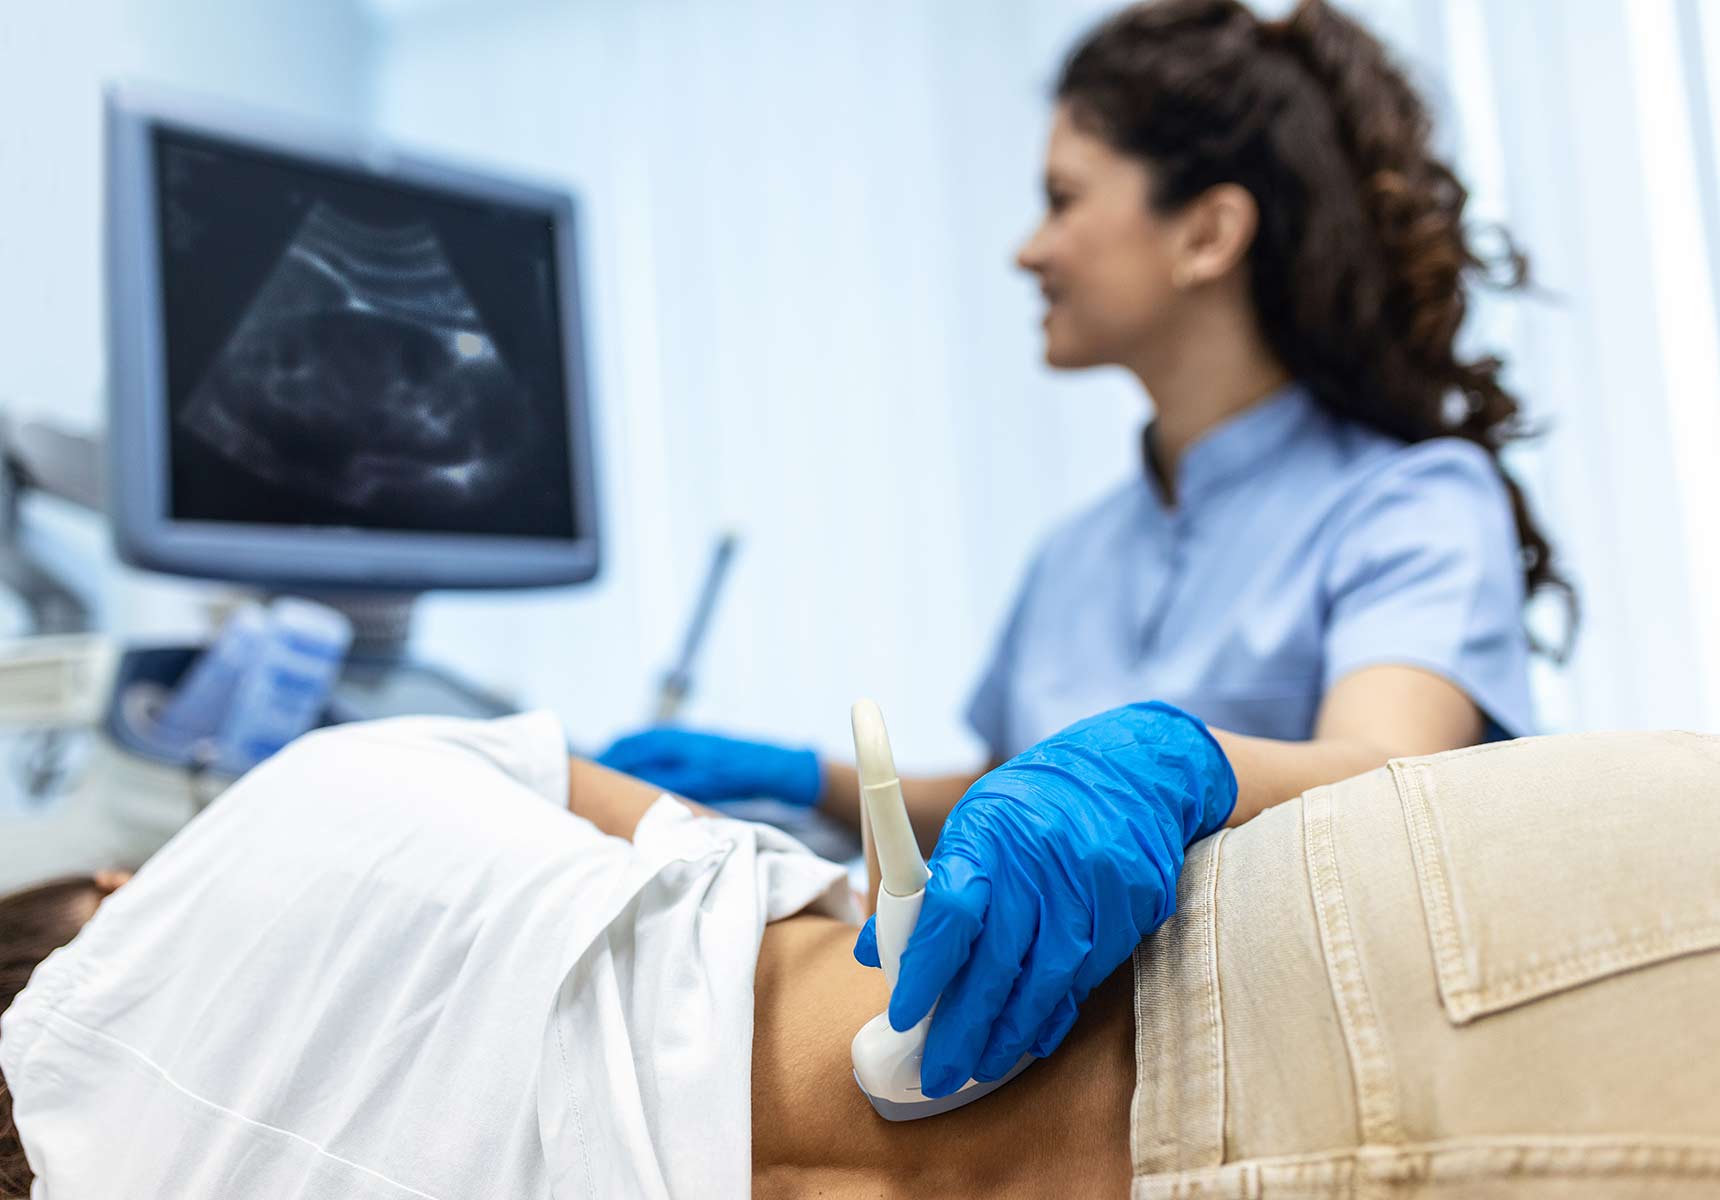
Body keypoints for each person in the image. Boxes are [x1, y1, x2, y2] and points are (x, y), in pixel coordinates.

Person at [602, 0, 1572, 1099]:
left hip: (1285, 1079)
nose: (1029, 250)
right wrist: (815, 782)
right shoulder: (1077, 553)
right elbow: (1024, 808)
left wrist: (1182, 765)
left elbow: (1388, 775)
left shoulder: (1411, 501)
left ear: (1206, 234)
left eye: (1062, 200)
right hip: (1038, 1074)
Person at [0, 713, 1719, 1198]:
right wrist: (1194, 759)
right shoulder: (322, 789)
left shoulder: (304, 826)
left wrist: (1177, 764)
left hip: (1307, 992)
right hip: (1335, 942)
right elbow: (746, 865)